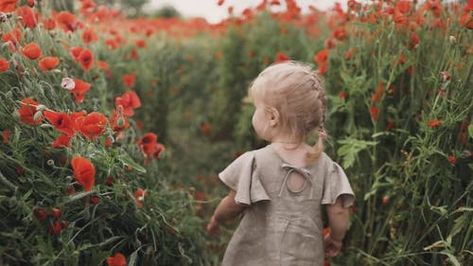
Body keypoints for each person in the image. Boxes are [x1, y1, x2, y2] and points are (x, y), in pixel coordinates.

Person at [206, 61, 355, 265]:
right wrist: (336, 238)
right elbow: (339, 211)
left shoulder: (255, 162)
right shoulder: (326, 166)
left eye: (257, 108)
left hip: (256, 256)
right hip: (304, 257)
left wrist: (217, 219)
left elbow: (233, 204)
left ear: (273, 117)